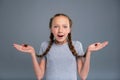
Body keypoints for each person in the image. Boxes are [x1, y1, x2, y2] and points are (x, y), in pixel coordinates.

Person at [13, 13, 108, 80]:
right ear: (51, 29)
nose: (60, 30)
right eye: (56, 26)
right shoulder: (44, 45)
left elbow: (83, 76)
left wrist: (89, 52)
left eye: (65, 26)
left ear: (69, 29)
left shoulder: (77, 45)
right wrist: (33, 54)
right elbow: (39, 76)